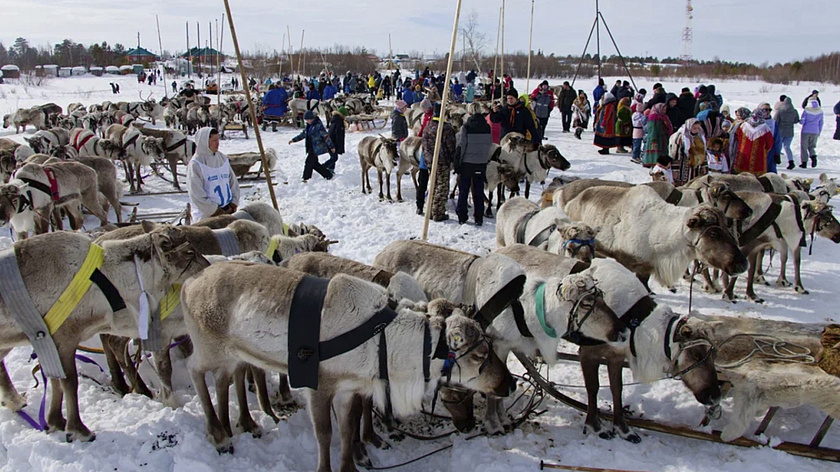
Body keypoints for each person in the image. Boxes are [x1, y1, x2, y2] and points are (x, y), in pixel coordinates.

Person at [187, 127, 240, 221]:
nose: (218, 143)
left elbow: (233, 183)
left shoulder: (222, 158)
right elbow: (196, 194)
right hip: (206, 218)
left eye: (218, 139)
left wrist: (233, 203)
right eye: (214, 140)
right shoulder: (196, 164)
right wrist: (215, 211)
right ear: (204, 141)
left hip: (227, 213)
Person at [454, 112, 492, 226]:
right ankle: (479, 217)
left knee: (464, 190)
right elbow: (489, 144)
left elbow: (462, 144)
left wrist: (458, 162)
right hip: (480, 163)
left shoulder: (466, 127)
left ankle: (462, 216)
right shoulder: (487, 127)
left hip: (467, 163)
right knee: (478, 191)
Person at [422, 103, 456, 222]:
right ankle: (437, 212)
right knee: (442, 187)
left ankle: (430, 210)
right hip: (442, 161)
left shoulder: (428, 126)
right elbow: (451, 146)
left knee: (433, 185)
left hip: (430, 161)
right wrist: (453, 160)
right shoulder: (445, 128)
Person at [289, 110, 335, 182]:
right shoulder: (308, 126)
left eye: (310, 119)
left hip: (316, 147)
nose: (308, 121)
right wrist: (294, 140)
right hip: (310, 146)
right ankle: (328, 175)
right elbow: (303, 134)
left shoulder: (318, 126)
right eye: (307, 120)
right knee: (314, 164)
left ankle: (306, 178)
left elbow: (326, 136)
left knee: (308, 162)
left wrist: (331, 146)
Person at [732, 108, 774, 175]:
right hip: (758, 158)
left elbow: (739, 138)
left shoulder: (743, 126)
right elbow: (769, 144)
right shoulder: (765, 129)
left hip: (743, 156)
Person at [671, 119, 707, 186]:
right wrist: (675, 170)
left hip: (696, 168)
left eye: (698, 128)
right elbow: (675, 155)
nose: (697, 130)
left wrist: (704, 166)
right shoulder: (681, 138)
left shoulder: (700, 137)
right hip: (684, 167)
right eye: (694, 128)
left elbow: (703, 152)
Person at [642, 103, 673, 167]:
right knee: (656, 154)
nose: (664, 111)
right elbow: (652, 130)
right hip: (656, 138)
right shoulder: (654, 118)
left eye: (665, 110)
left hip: (663, 138)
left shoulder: (664, 117)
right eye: (662, 109)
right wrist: (654, 139)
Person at [773, 97, 799, 170]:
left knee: (778, 146)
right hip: (790, 132)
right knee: (787, 147)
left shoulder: (780, 111)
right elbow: (796, 120)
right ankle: (791, 161)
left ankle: (777, 160)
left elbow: (775, 121)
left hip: (781, 131)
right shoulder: (794, 111)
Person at [799, 99, 824, 168]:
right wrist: (819, 132)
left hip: (806, 130)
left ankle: (804, 162)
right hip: (815, 131)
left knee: (804, 147)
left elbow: (802, 121)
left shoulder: (807, 111)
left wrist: (800, 121)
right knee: (812, 146)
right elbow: (821, 123)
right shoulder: (820, 112)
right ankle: (813, 157)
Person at [325, 106, 347, 172]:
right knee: (334, 158)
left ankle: (331, 170)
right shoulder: (339, 122)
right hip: (333, 143)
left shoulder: (335, 120)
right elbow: (338, 136)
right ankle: (322, 167)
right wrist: (337, 147)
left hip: (331, 142)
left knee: (333, 157)